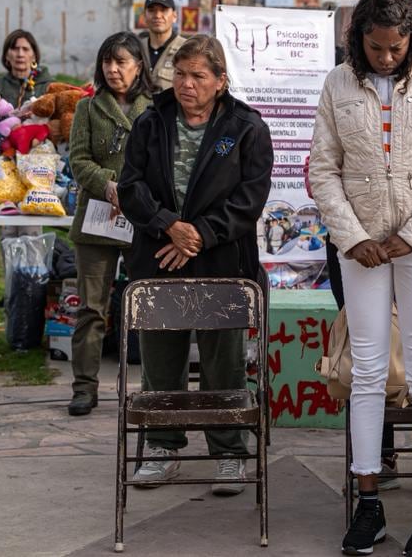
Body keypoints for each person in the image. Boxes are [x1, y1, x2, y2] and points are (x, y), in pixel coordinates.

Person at [308, 0, 412, 557]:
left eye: (396, 47)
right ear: (359, 40)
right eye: (376, 47)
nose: (386, 57)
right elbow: (323, 169)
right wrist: (353, 239)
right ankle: (367, 501)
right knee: (367, 370)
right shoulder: (336, 83)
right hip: (362, 251)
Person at [116, 35, 273, 495]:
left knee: (223, 361)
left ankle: (229, 453)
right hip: (159, 257)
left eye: (198, 76)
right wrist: (170, 227)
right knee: (161, 361)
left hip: (222, 262)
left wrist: (198, 235)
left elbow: (250, 198)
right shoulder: (152, 119)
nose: (186, 84)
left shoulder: (246, 127)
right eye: (180, 74)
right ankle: (162, 447)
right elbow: (131, 186)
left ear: (220, 81)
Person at [65, 32, 154, 417]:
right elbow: (78, 160)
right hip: (97, 219)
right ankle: (84, 387)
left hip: (143, 220)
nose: (113, 69)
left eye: (122, 62)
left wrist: (134, 193)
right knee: (91, 309)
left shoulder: (155, 109)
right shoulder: (87, 108)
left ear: (139, 67)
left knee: (148, 308)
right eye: (107, 62)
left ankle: (152, 386)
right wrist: (107, 185)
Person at [139, 0, 187, 92]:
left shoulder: (186, 49)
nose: (157, 15)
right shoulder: (136, 49)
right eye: (152, 10)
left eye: (164, 10)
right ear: (144, 17)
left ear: (174, 16)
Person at [0, 29, 52, 108]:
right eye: (15, 48)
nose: (20, 54)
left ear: (34, 56)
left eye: (25, 49)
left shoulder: (50, 87)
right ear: (6, 55)